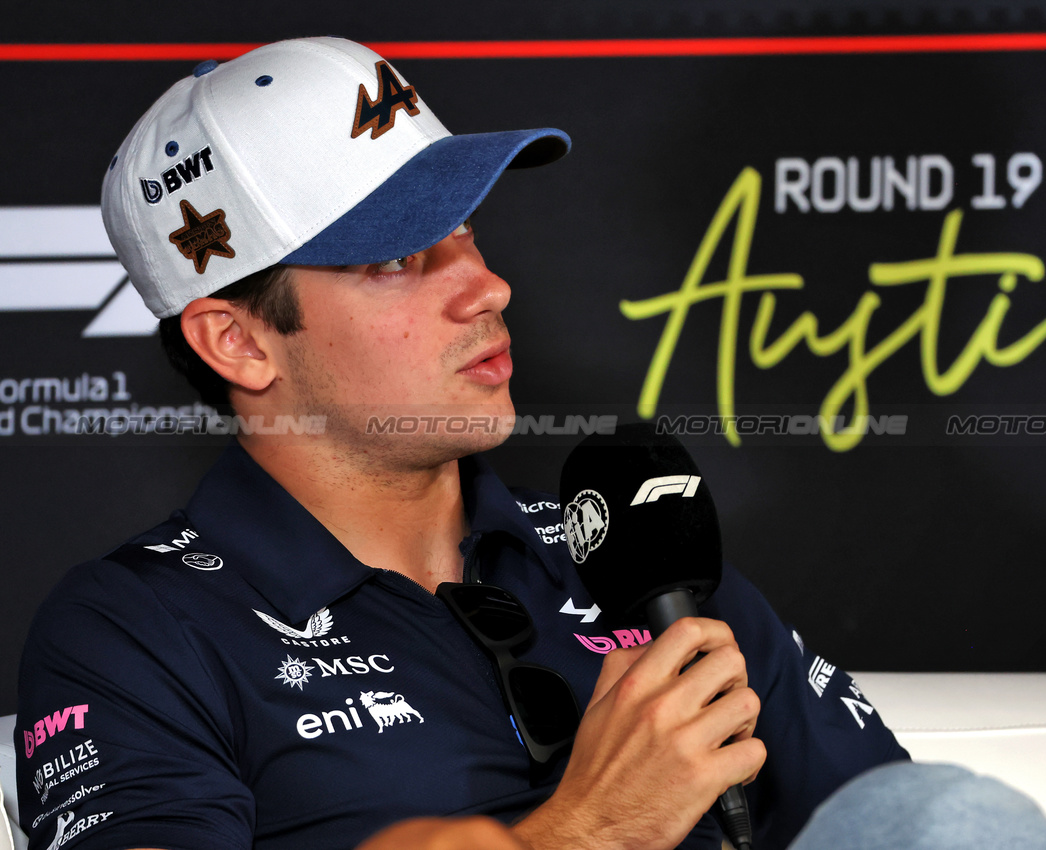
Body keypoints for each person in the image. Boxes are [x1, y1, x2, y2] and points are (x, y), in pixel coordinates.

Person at [13, 37, 907, 850]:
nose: (487, 288)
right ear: (238, 343)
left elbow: (910, 822)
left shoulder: (634, 549)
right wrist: (588, 832)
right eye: (394, 260)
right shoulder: (134, 629)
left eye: (466, 228)